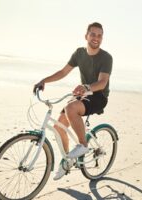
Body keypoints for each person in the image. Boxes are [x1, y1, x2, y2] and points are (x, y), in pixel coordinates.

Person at [33, 22, 113, 180]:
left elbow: (102, 82)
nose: (96, 38)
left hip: (98, 96)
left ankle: (83, 145)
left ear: (102, 38)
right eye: (93, 34)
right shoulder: (79, 53)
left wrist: (86, 87)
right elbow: (63, 72)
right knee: (58, 127)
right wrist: (44, 80)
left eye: (99, 35)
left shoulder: (106, 57)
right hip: (83, 94)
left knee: (71, 108)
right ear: (86, 36)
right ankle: (67, 160)